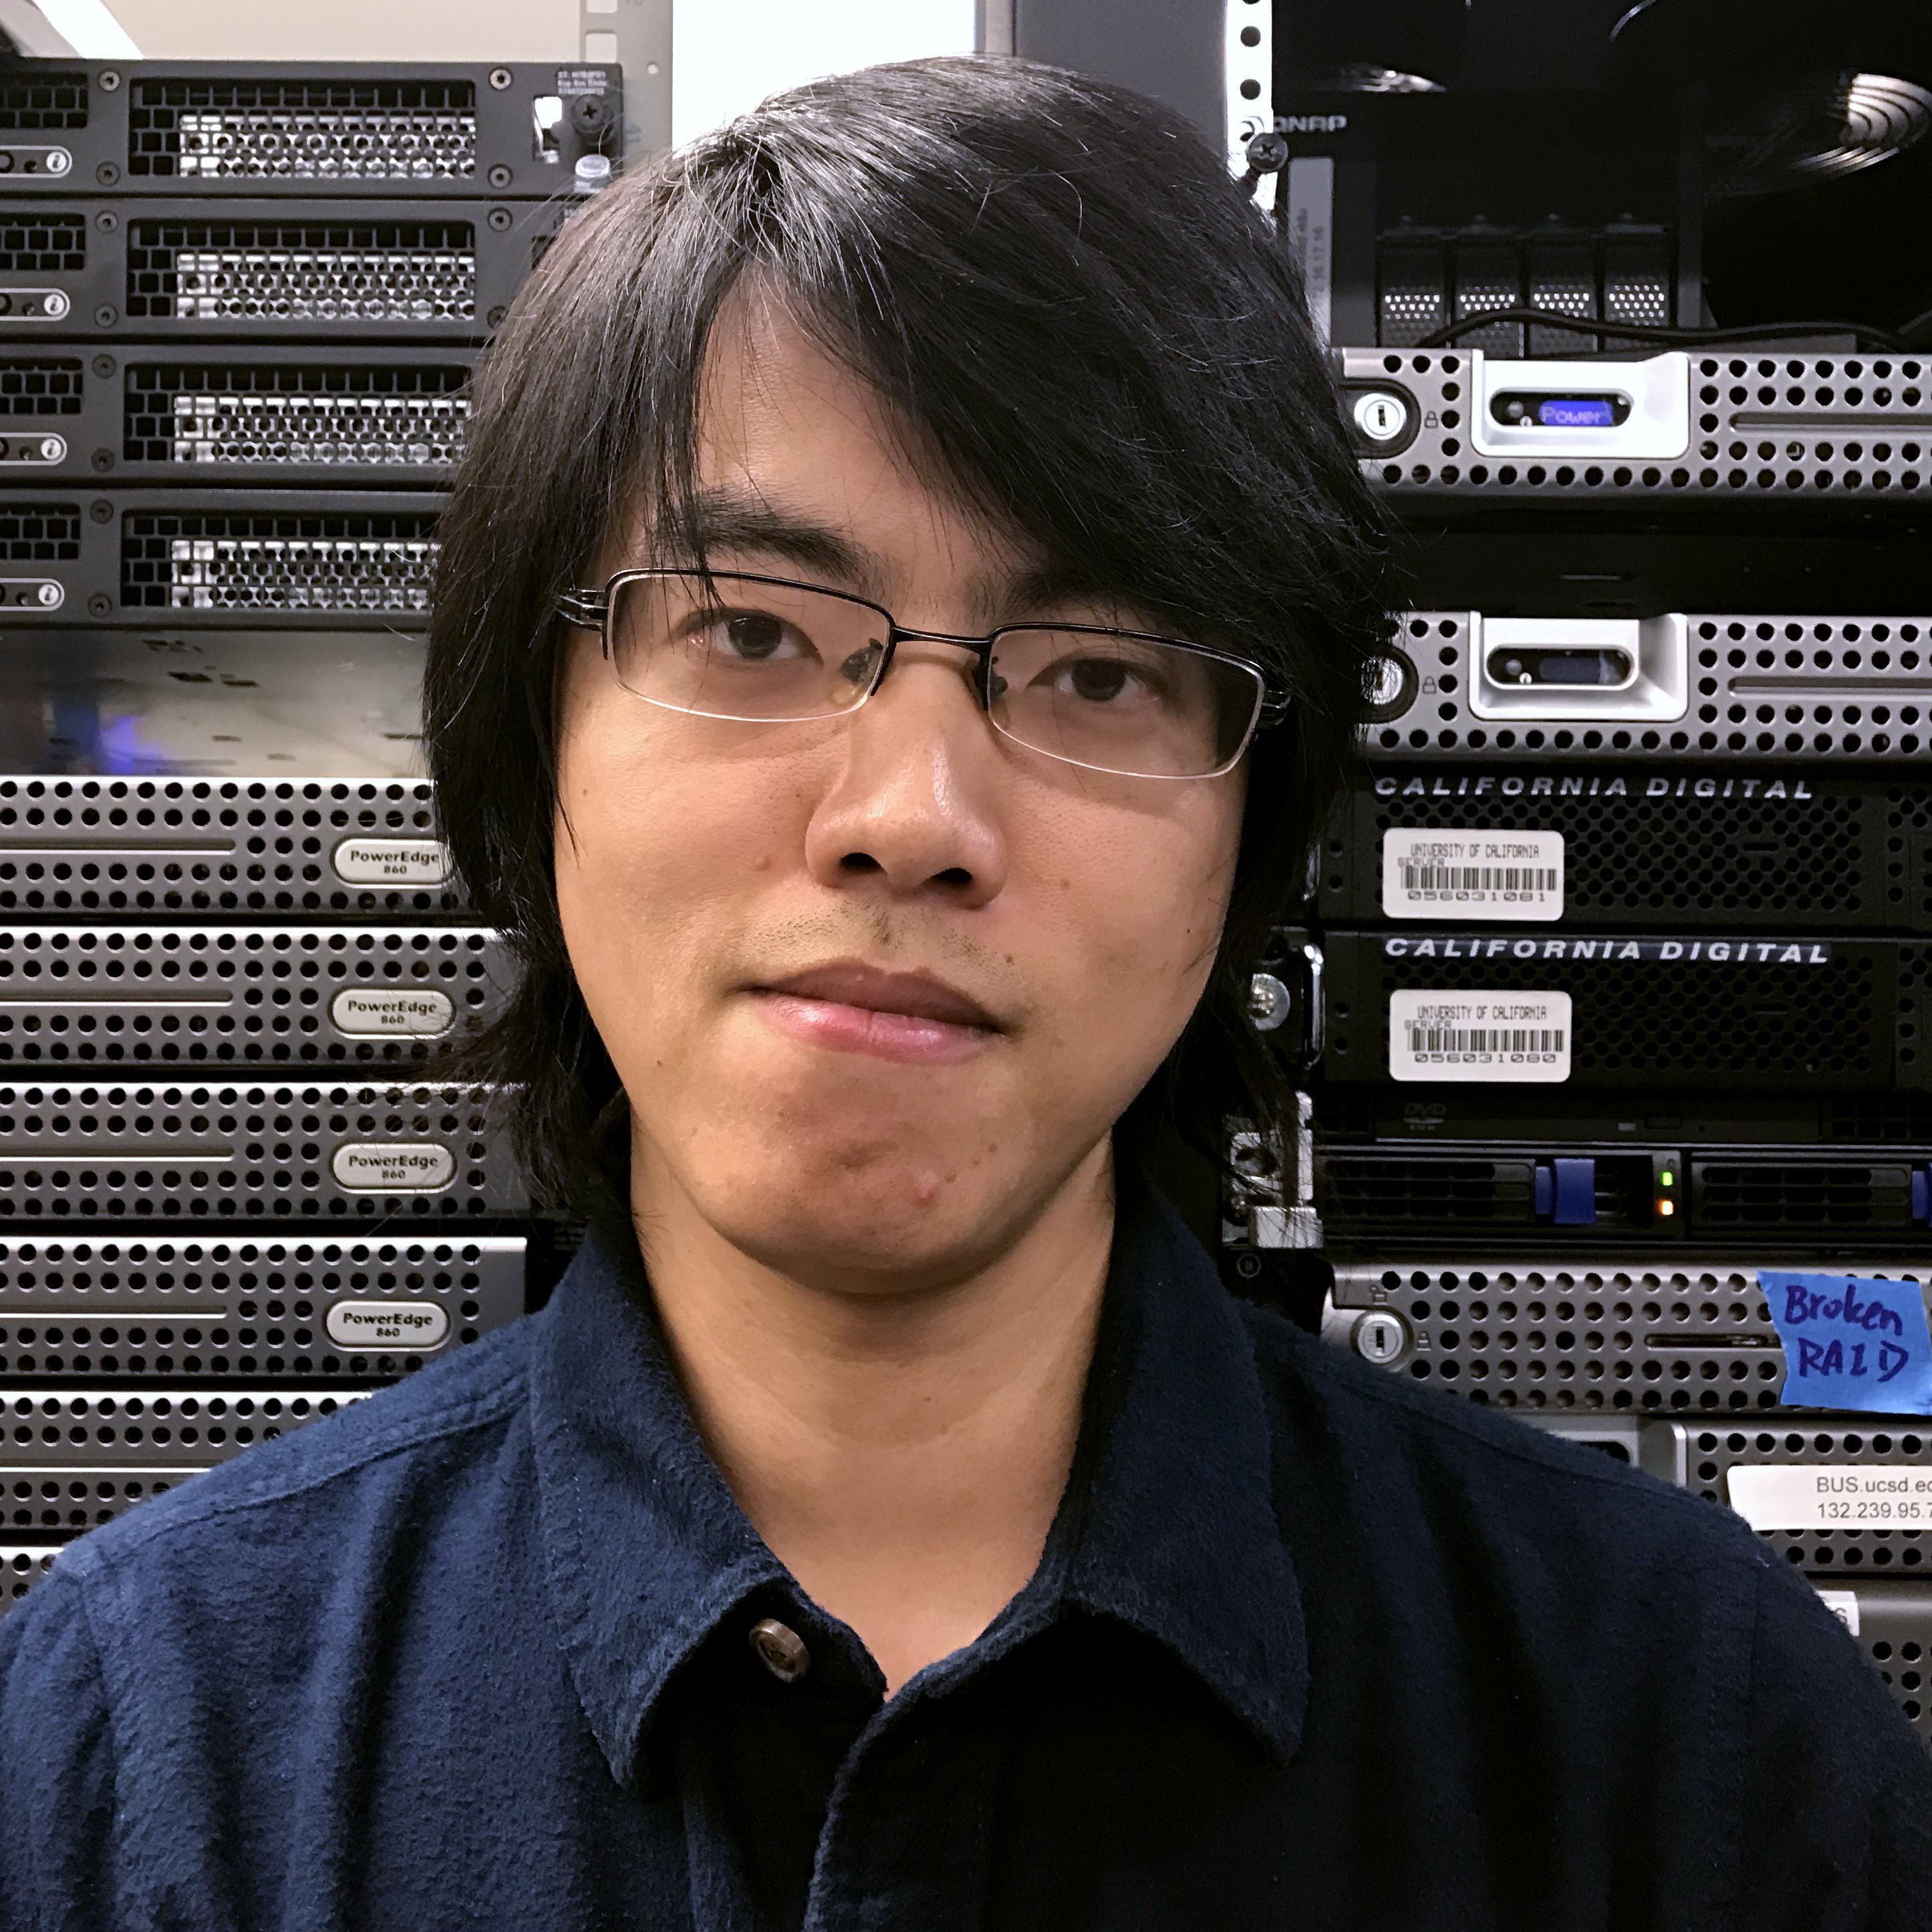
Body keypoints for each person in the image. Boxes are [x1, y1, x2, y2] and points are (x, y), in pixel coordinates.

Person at [2, 55, 1927, 1932]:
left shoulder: (1701, 1734)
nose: (909, 817)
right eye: (750, 628)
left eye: (1098, 672)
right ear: (535, 742)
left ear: (1251, 832)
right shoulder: (131, 1743)